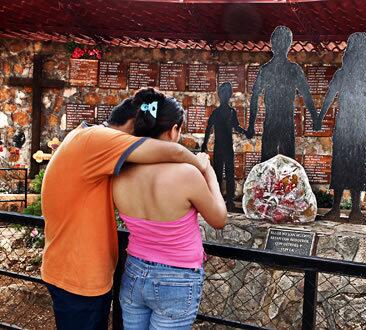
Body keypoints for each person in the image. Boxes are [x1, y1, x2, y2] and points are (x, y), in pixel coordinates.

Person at [41, 89, 210, 330]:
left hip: (72, 269)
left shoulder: (86, 137)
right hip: (78, 275)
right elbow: (173, 151)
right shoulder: (98, 139)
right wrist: (201, 164)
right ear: (133, 125)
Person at [112, 88, 226, 329]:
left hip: (134, 270)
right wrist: (209, 172)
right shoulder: (187, 174)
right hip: (177, 277)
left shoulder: (120, 173)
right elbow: (218, 218)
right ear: (174, 130)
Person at [315, 32, 366, 222]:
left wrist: (320, 118)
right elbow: (330, 97)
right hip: (350, 126)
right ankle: (345, 209)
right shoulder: (350, 74)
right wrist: (319, 117)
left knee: (353, 166)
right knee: (344, 166)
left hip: (354, 126)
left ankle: (351, 210)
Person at [246, 25, 316, 162]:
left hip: (276, 121)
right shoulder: (292, 69)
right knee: (285, 164)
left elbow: (255, 97)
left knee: (272, 163)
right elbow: (306, 95)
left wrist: (251, 125)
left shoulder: (267, 70)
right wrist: (315, 119)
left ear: (273, 44)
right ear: (288, 45)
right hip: (282, 122)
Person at [201, 82, 246, 210]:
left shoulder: (231, 112)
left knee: (229, 173)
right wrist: (204, 143)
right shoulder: (217, 113)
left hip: (226, 147)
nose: (226, 95)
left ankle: (230, 200)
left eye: (227, 93)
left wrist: (246, 132)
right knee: (218, 173)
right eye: (224, 93)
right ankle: (219, 197)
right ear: (221, 95)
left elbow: (236, 127)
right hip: (219, 147)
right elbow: (209, 128)